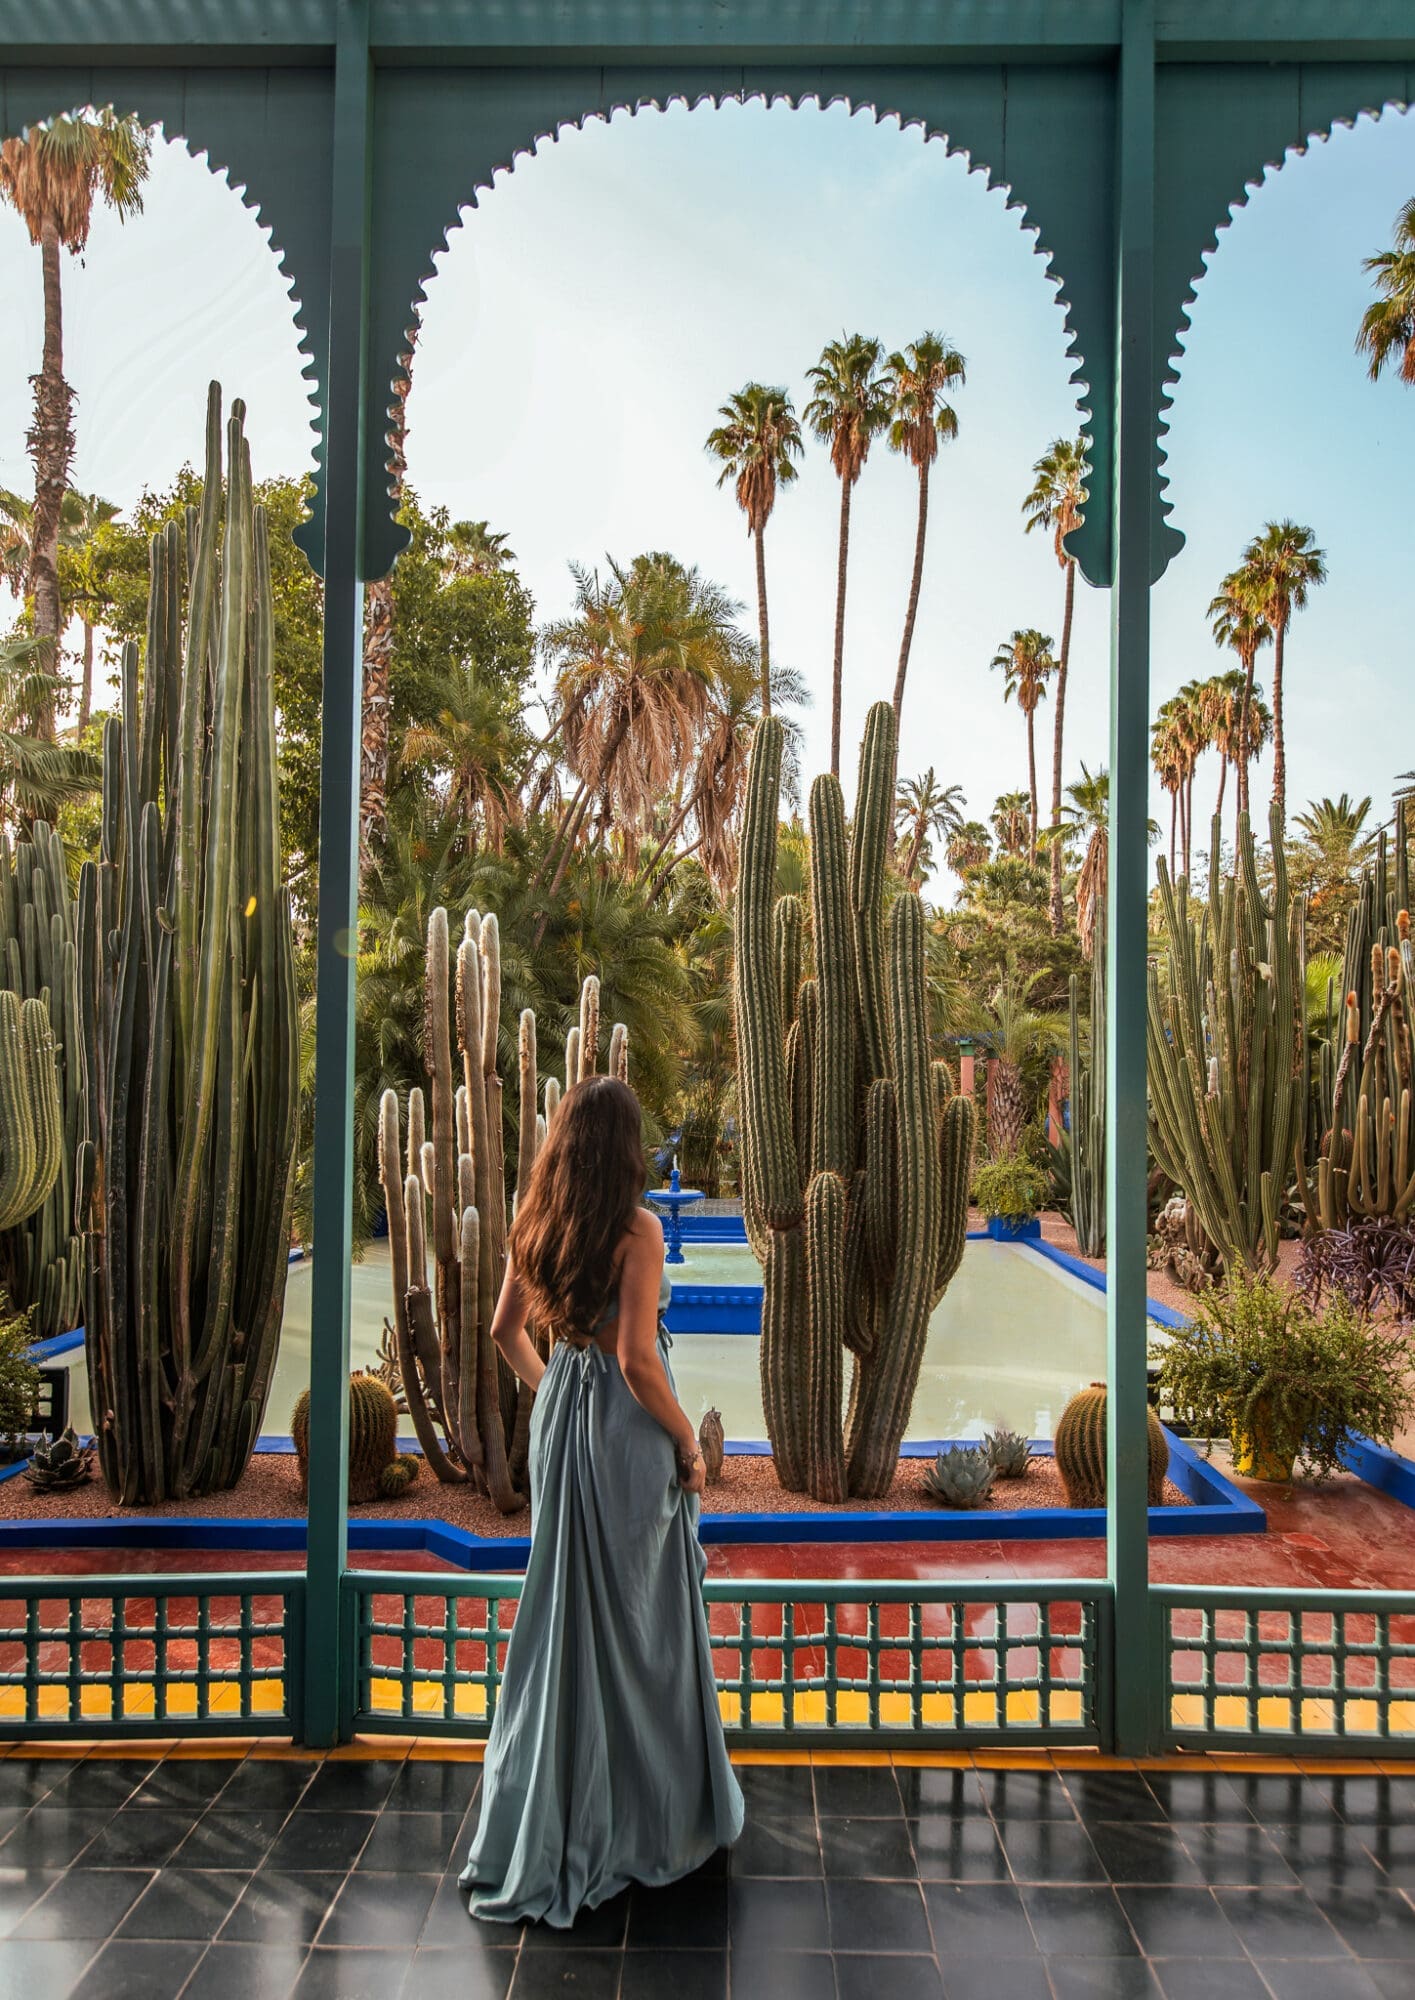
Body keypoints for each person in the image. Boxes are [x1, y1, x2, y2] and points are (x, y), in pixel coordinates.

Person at [459, 1073, 744, 1926]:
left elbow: (504, 1332)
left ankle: (562, 1804)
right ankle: (649, 1816)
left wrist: (553, 1391)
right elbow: (636, 1359)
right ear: (625, 1149)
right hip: (625, 1432)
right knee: (641, 1618)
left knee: (565, 1610)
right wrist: (687, 1443)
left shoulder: (533, 1224)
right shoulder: (638, 1229)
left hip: (560, 1419)